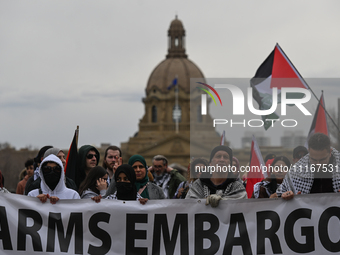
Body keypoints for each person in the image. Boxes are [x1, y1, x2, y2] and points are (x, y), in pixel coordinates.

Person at [277, 133, 340, 200]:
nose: (318, 164)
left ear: (330, 152)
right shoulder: (296, 170)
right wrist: (287, 195)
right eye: (314, 160)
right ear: (309, 151)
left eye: (322, 160)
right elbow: (281, 192)